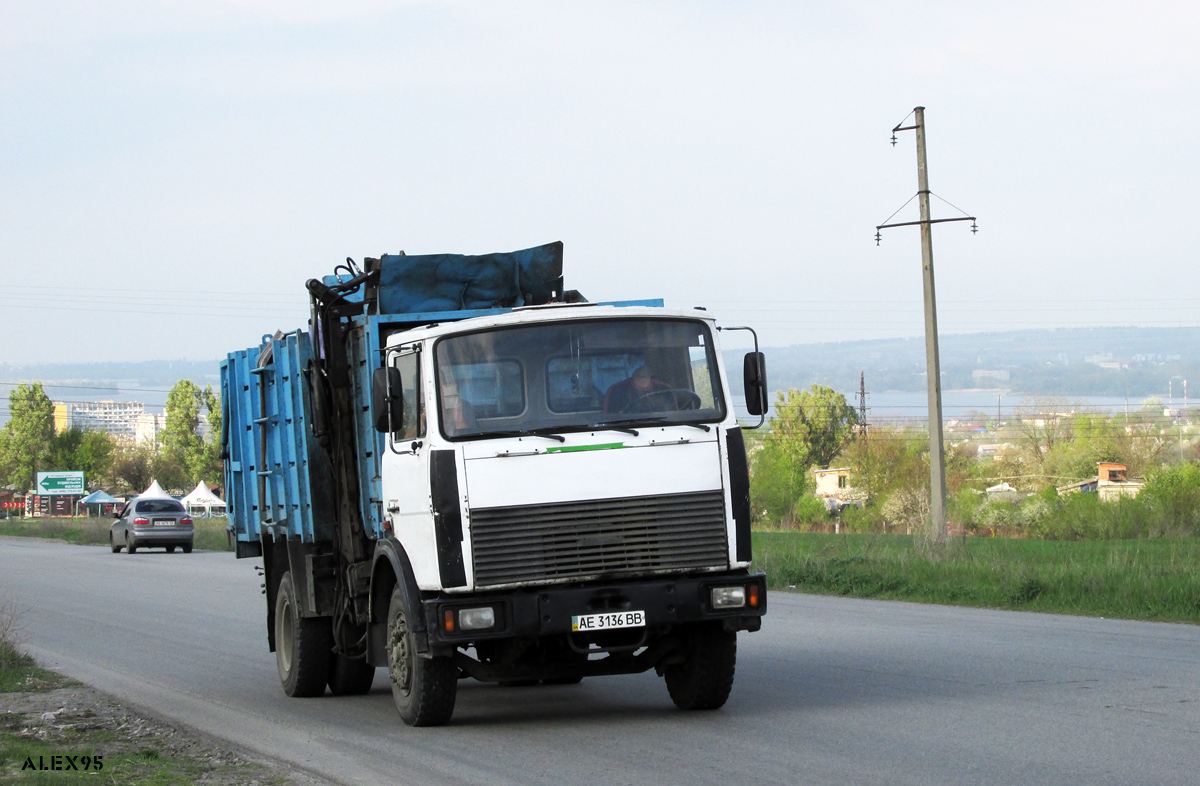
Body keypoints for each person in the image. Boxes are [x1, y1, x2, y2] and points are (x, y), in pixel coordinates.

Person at [603, 365, 675, 413]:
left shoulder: (665, 389)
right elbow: (609, 419)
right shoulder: (616, 391)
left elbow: (675, 415)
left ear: (651, 376)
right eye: (640, 376)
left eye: (644, 376)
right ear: (633, 375)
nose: (642, 379)